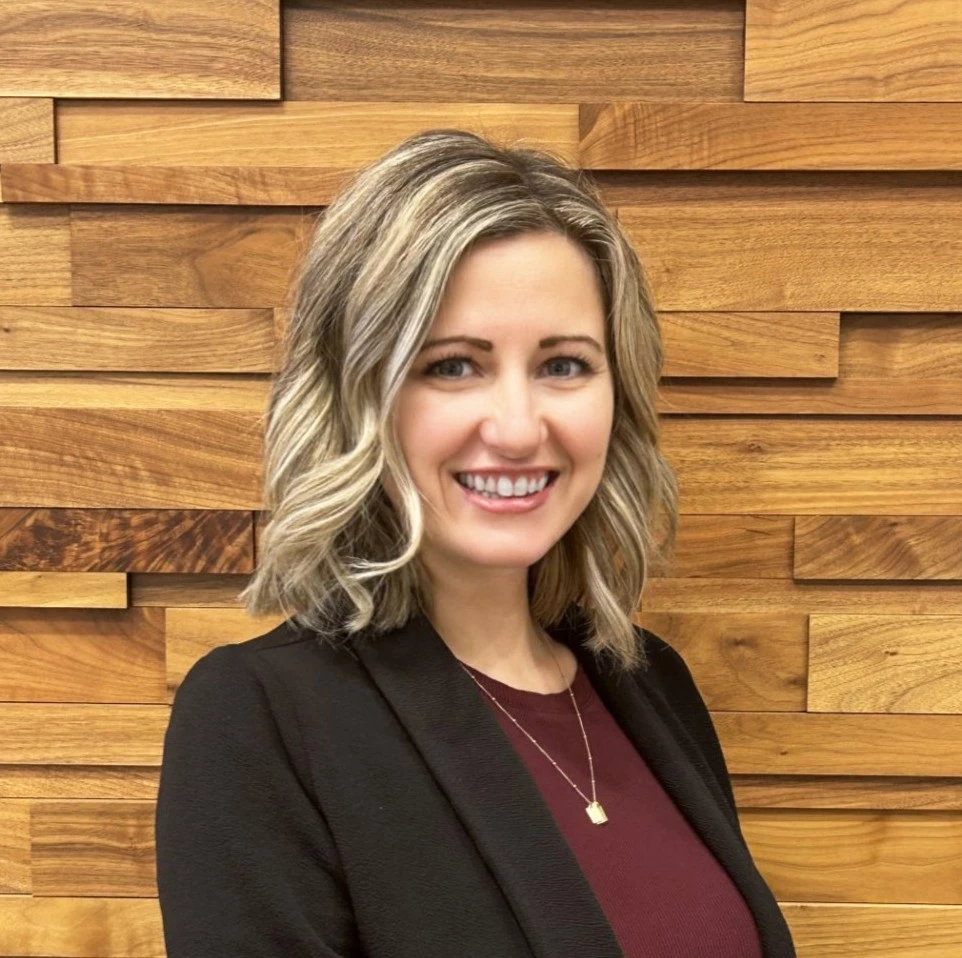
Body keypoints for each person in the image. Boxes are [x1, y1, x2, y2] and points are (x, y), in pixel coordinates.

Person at [154, 129, 798, 957]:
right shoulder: (262, 719)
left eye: (564, 365)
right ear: (360, 395)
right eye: (453, 366)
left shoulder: (653, 683)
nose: (520, 428)